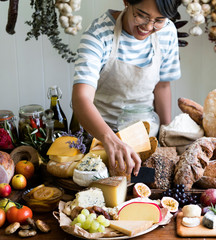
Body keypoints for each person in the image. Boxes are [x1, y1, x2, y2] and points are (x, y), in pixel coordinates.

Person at [71, 0, 181, 177]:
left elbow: (162, 86)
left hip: (146, 137)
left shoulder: (167, 32)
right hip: (99, 139)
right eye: (142, 15)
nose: (148, 26)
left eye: (158, 20)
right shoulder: (99, 34)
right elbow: (80, 99)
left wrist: (165, 138)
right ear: (126, 1)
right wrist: (110, 140)